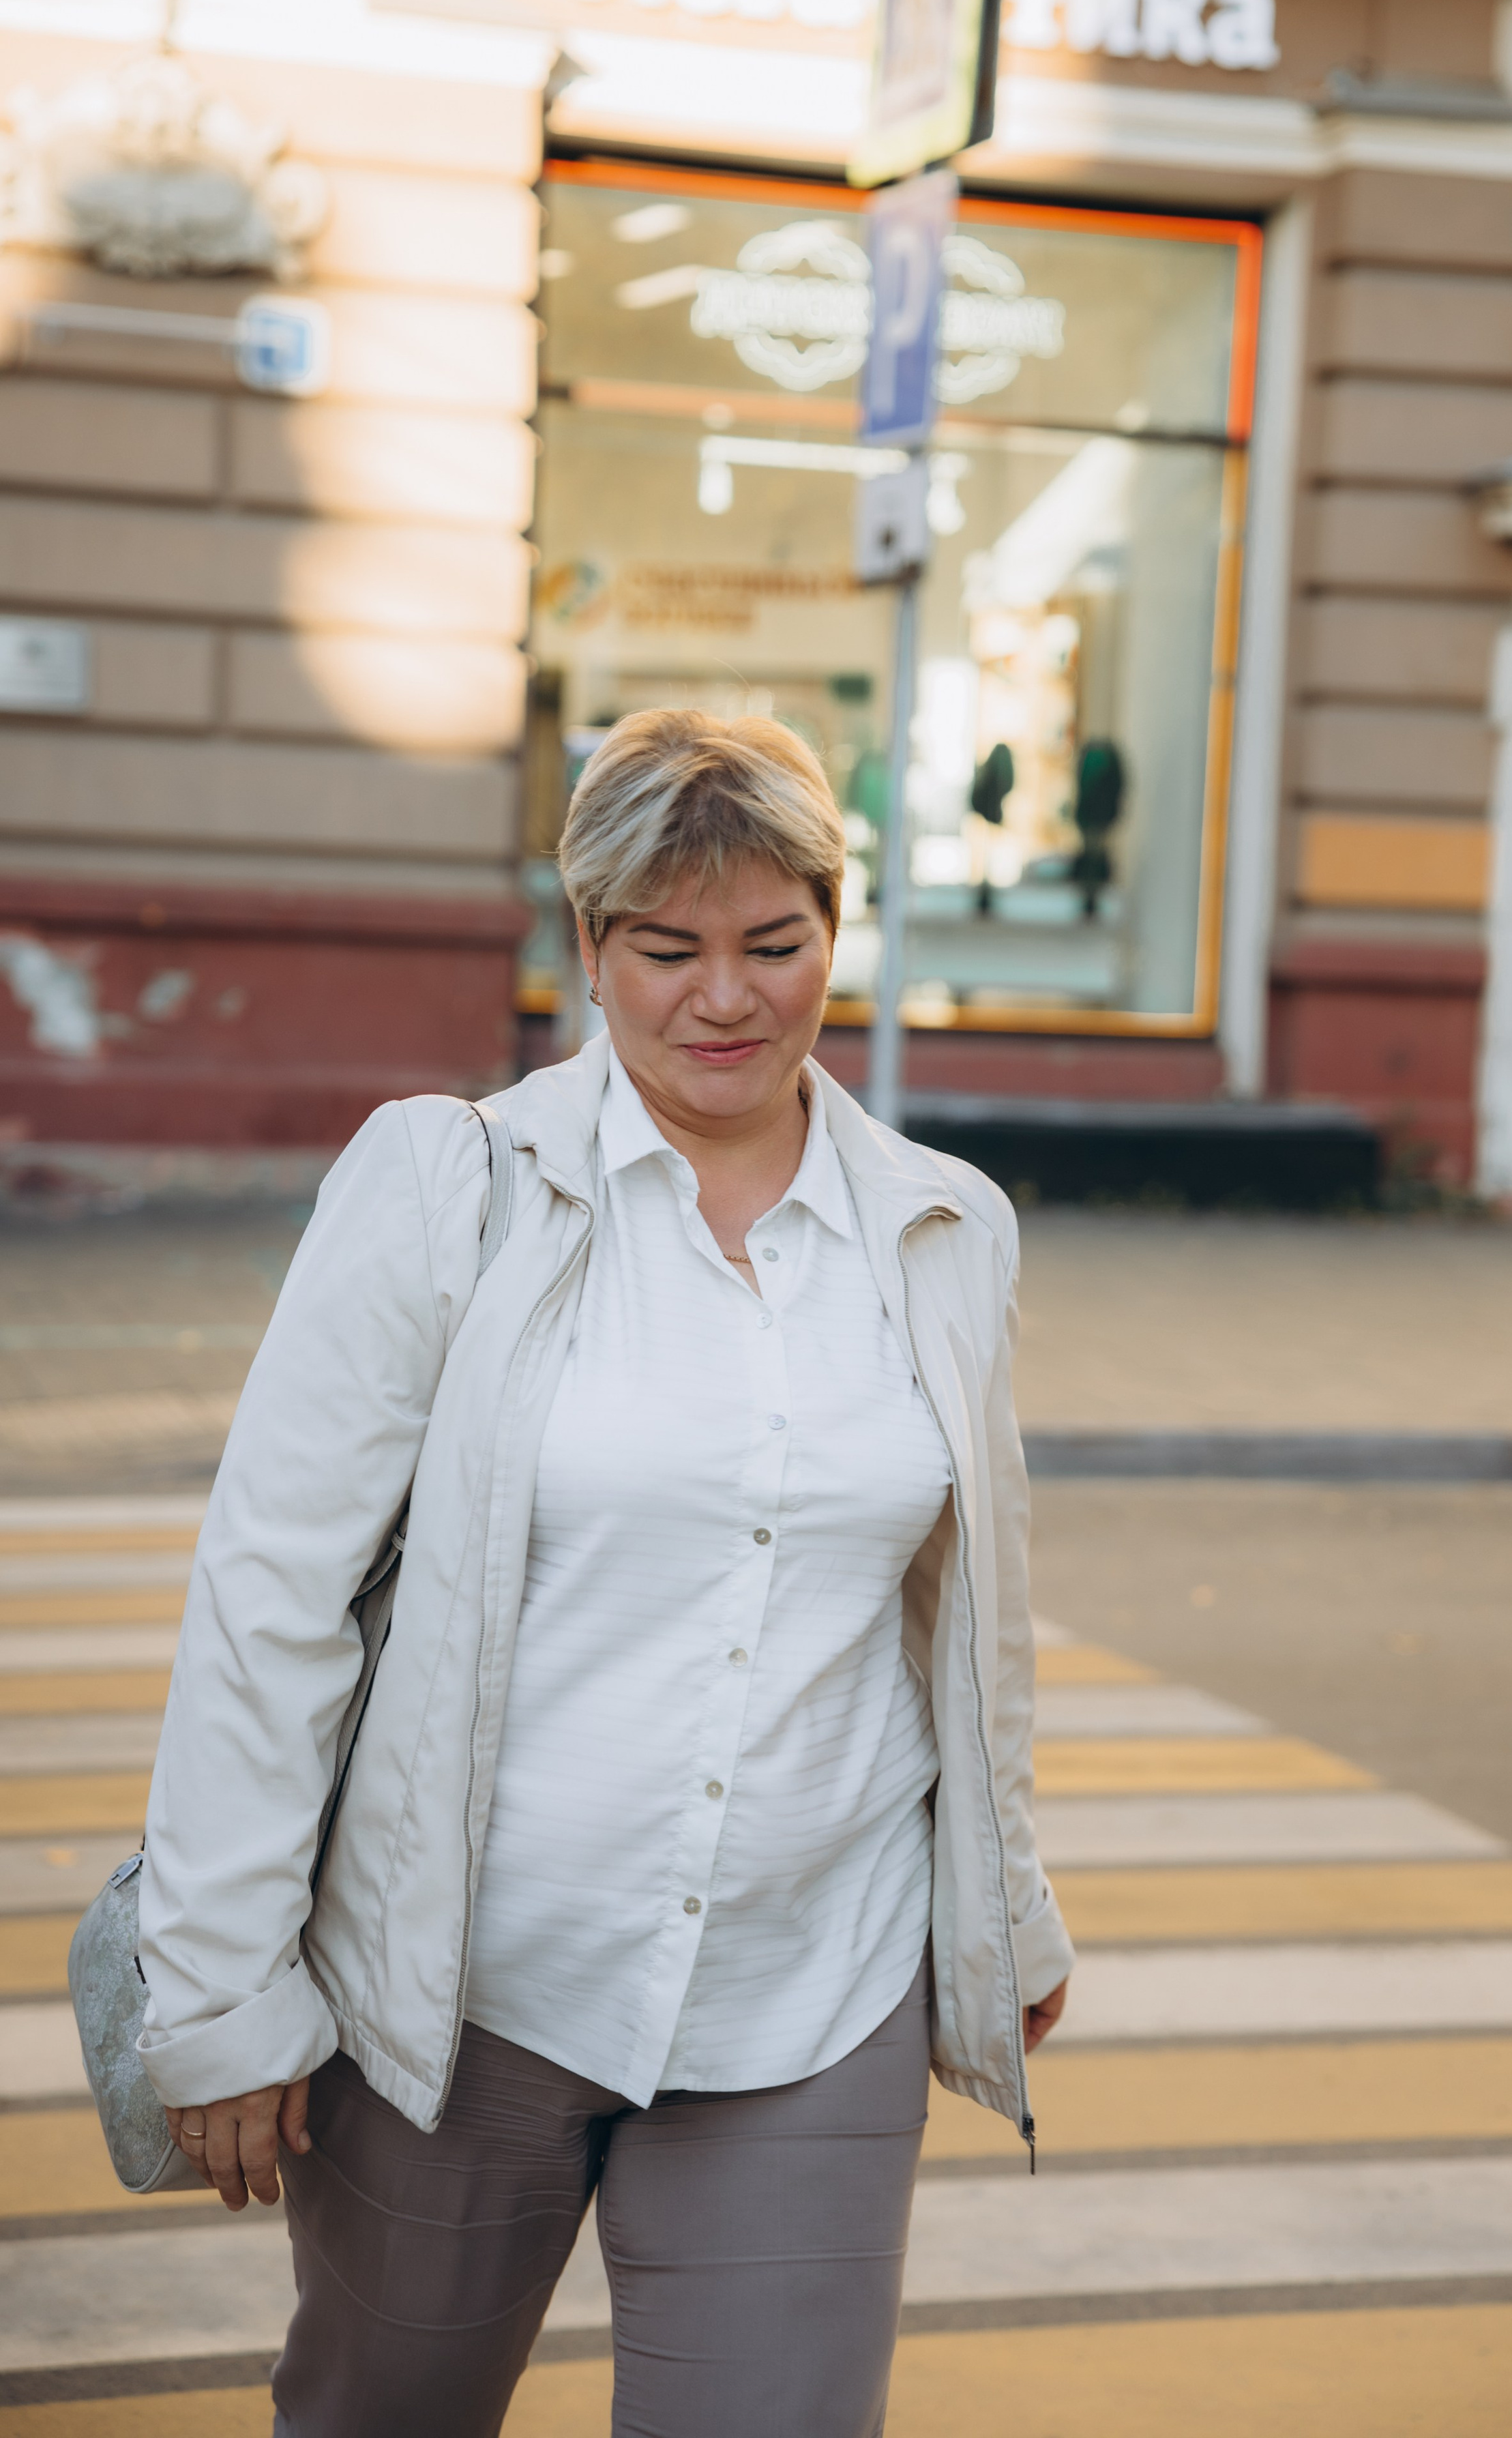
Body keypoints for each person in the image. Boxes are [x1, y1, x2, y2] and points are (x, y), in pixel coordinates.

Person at [136, 708, 1075, 2438]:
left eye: (773, 945)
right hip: (464, 1994)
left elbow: (966, 1617)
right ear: (586, 943)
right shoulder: (449, 1185)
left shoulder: (942, 1225)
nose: (725, 999)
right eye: (666, 949)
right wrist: (219, 1986)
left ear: (835, 928)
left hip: (815, 1984)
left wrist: (1001, 1905)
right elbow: (271, 1602)